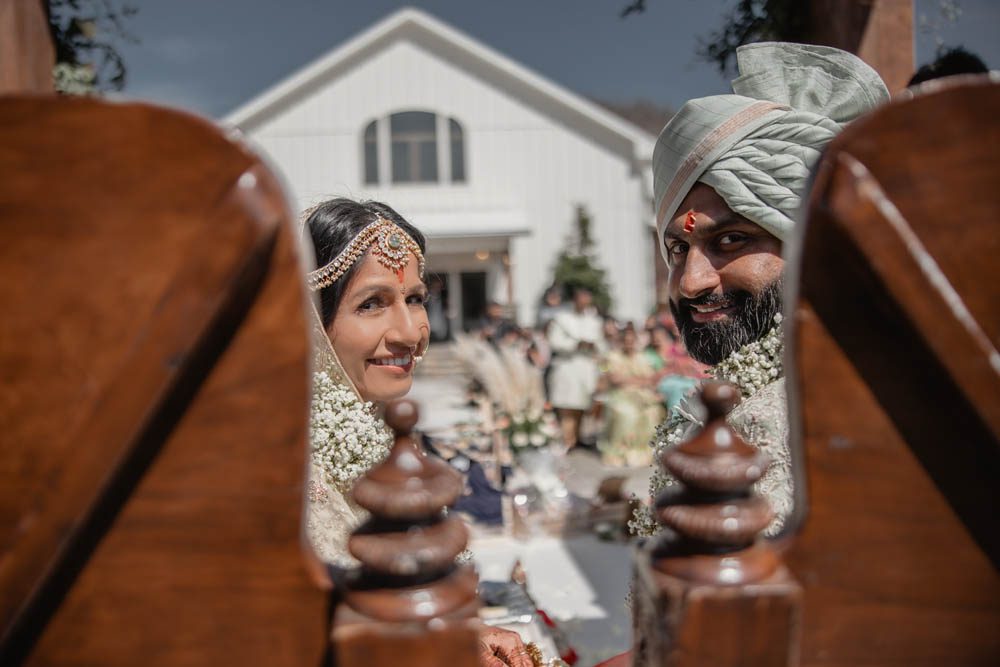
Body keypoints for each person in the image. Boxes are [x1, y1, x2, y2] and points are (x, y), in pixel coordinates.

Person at [629, 42, 889, 539]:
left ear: (809, 245)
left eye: (730, 240)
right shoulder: (735, 399)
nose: (692, 281)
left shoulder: (846, 407)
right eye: (677, 249)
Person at [302, 198, 534, 667]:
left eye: (414, 299)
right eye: (372, 304)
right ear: (309, 321)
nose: (411, 333)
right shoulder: (277, 469)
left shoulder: (384, 435)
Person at [547, 286, 605, 449]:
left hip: (586, 367)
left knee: (582, 406)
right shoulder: (561, 319)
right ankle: (567, 440)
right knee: (567, 406)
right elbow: (554, 342)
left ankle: (577, 438)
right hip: (567, 365)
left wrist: (594, 345)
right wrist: (575, 344)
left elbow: (601, 343)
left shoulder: (594, 321)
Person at [599, 327, 665, 466]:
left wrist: (632, 380)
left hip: (641, 393)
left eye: (631, 341)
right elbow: (615, 379)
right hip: (619, 394)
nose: (628, 344)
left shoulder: (642, 357)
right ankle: (621, 453)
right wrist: (637, 380)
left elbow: (651, 379)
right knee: (627, 414)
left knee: (653, 411)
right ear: (621, 341)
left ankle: (642, 453)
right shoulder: (612, 356)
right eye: (625, 341)